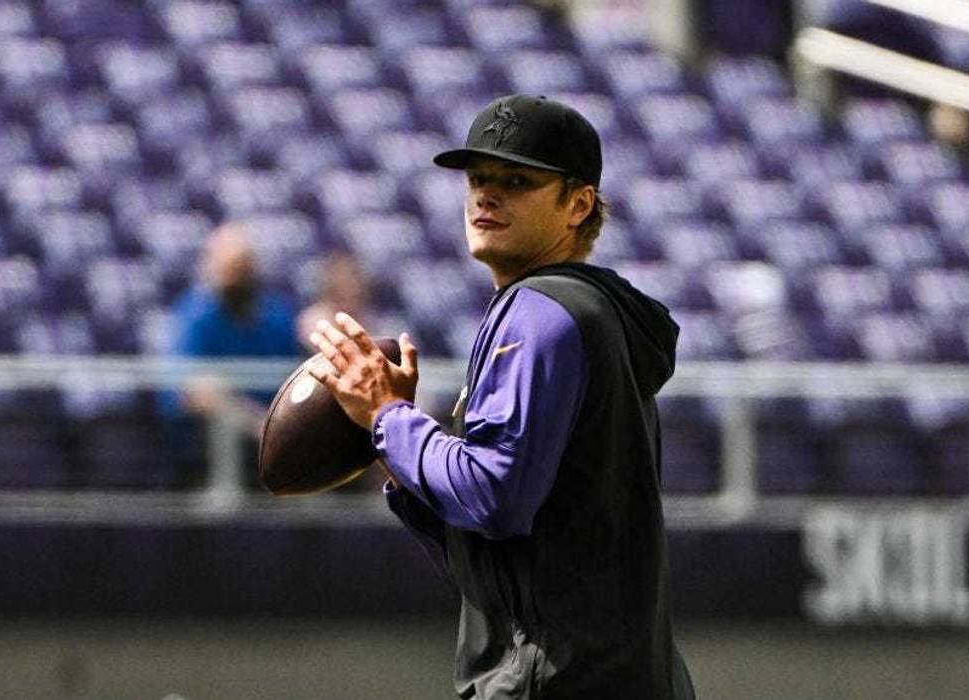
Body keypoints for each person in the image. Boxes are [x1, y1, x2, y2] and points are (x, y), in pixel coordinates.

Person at [306, 95, 695, 699]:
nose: (487, 196)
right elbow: (506, 548)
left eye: (518, 181)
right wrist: (400, 445)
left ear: (578, 204)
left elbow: (494, 497)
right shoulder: (595, 311)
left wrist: (389, 417)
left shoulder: (537, 311)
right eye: (478, 180)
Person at [158, 223, 299, 488]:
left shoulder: (274, 314)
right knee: (217, 404)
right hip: (213, 435)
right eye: (229, 269)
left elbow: (294, 376)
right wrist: (256, 423)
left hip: (274, 427)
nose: (236, 278)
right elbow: (191, 391)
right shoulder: (195, 313)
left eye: (242, 269)